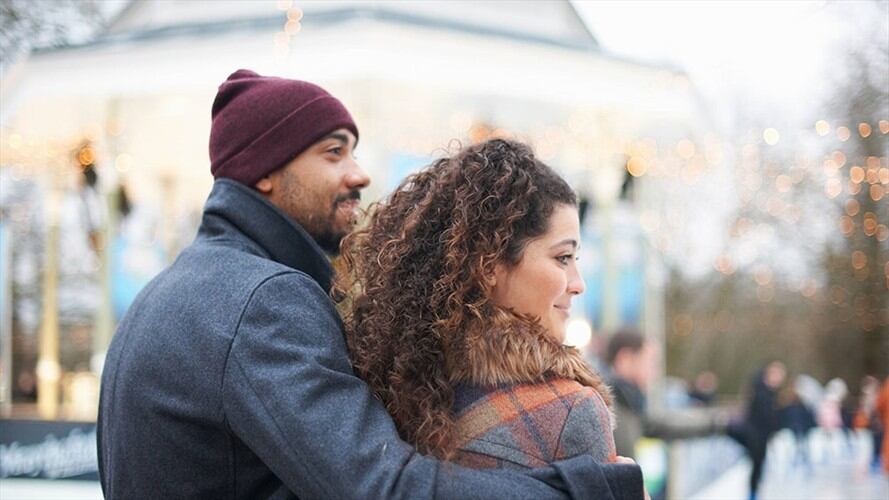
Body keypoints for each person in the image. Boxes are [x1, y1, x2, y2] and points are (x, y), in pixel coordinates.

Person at [97, 69, 643, 499]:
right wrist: (579, 490)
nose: (358, 174)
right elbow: (381, 487)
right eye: (333, 152)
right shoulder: (263, 301)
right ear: (263, 171)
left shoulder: (176, 289)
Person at [338, 139, 618, 470]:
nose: (578, 283)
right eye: (563, 257)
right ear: (489, 266)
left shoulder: (392, 387)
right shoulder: (571, 411)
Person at [604, 329, 728, 461]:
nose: (654, 373)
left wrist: (720, 421)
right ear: (625, 358)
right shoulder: (610, 411)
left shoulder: (628, 405)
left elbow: (664, 423)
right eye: (650, 363)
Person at [729, 361, 786, 500]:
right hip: (755, 437)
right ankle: (752, 495)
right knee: (756, 467)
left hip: (762, 437)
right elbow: (762, 416)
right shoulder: (761, 392)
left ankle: (754, 493)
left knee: (758, 468)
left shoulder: (770, 393)